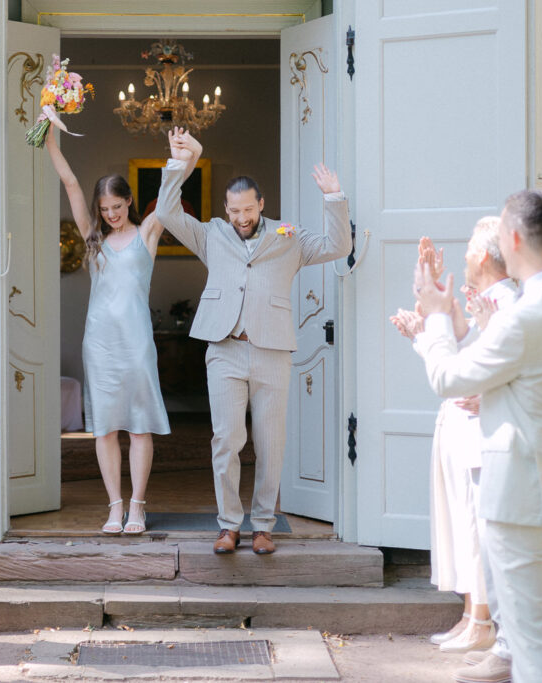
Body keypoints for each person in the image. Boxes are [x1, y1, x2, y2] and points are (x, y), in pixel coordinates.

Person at [413, 190, 542, 683]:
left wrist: (435, 314)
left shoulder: (522, 318)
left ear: (515, 238)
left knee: (533, 644)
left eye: (500, 232)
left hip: (522, 501)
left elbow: (448, 379)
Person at [158, 128, 352, 554]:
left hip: (271, 351)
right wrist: (178, 164)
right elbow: (167, 212)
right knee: (226, 439)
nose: (241, 217)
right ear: (226, 209)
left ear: (261, 205)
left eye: (248, 209)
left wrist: (334, 198)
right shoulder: (212, 234)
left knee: (270, 442)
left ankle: (263, 525)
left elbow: (338, 246)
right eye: (234, 210)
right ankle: (229, 525)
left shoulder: (289, 236)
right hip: (224, 349)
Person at [390, 218, 517, 655]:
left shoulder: (507, 303)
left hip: (479, 428)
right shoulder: (485, 299)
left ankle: (483, 621)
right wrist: (423, 320)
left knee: (475, 525)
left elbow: (478, 366)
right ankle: (470, 615)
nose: (462, 256)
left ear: (483, 256)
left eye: (467, 249)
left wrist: (426, 335)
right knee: (460, 524)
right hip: (458, 419)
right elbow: (458, 343)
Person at [45, 124, 177, 535]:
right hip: (99, 344)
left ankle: (138, 506)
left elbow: (172, 192)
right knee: (104, 428)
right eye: (104, 209)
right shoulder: (93, 239)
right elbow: (69, 182)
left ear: (129, 201)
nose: (110, 215)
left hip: (136, 343)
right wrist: (49, 133)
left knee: (139, 426)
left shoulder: (148, 233)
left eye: (117, 207)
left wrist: (180, 157)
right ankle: (114, 508)